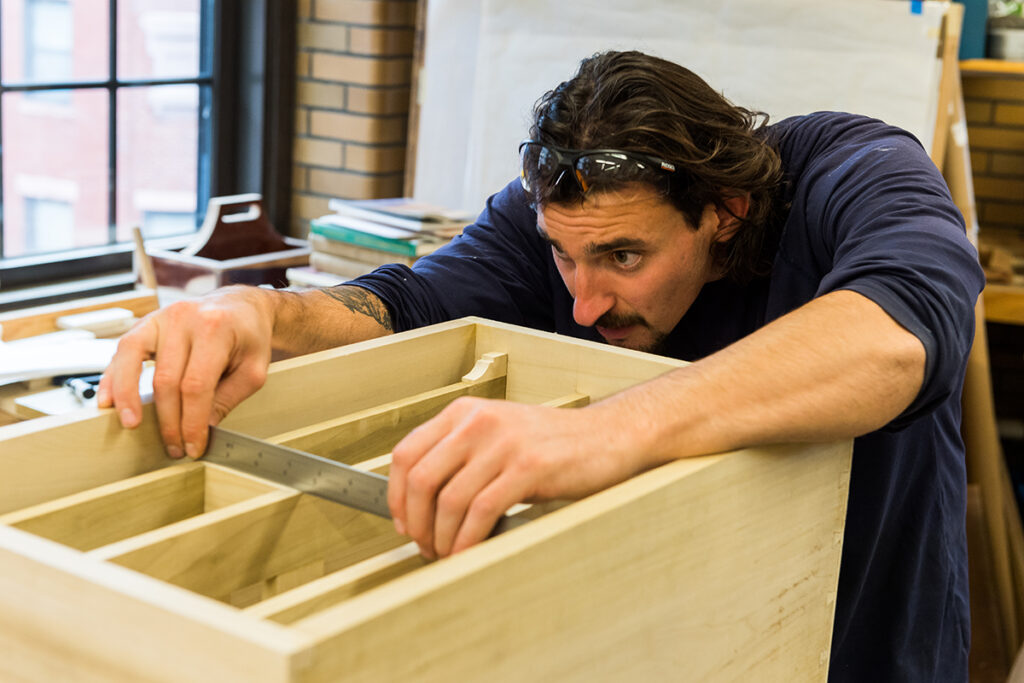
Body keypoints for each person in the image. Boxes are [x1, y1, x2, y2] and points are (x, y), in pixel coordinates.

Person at [99, 51, 983, 681]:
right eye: (566, 259)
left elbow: (899, 333)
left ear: (724, 210)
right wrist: (257, 310)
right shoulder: (556, 220)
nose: (586, 300)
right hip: (692, 633)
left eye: (625, 259)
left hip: (865, 634)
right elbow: (404, 305)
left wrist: (605, 432)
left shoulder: (852, 168)